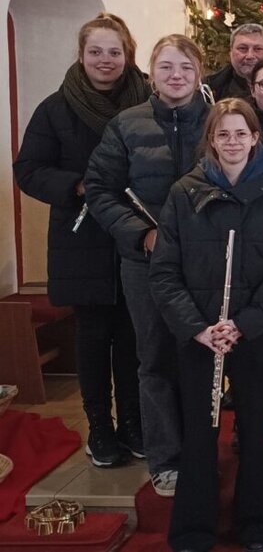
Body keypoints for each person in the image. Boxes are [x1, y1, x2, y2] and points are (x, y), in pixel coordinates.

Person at [148, 98, 263, 552]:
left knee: (254, 429)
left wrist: (244, 325)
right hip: (199, 334)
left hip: (250, 333)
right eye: (222, 134)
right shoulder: (182, 192)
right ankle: (194, 528)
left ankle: (257, 523)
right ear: (210, 140)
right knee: (199, 431)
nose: (232, 142)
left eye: (241, 133)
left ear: (255, 138)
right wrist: (198, 328)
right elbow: (164, 272)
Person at [14, 12, 150, 468]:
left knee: (133, 335)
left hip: (136, 233)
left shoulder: (148, 100)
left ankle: (133, 423)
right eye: (96, 51)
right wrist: (76, 186)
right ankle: (101, 429)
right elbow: (28, 171)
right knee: (93, 338)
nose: (105, 60)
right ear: (82, 54)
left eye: (115, 52)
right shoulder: (55, 109)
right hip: (82, 235)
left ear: (127, 55)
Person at [85, 34, 211, 498]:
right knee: (154, 358)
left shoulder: (218, 122)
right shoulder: (126, 125)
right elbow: (99, 189)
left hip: (207, 262)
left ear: (198, 72)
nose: (176, 75)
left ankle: (202, 452)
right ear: (151, 73)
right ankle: (167, 460)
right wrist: (142, 233)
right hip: (146, 262)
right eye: (166, 67)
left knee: (200, 357)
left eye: (185, 67)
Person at [204, 23, 263, 101]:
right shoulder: (209, 90)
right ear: (230, 52)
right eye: (242, 48)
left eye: (258, 49)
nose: (250, 56)